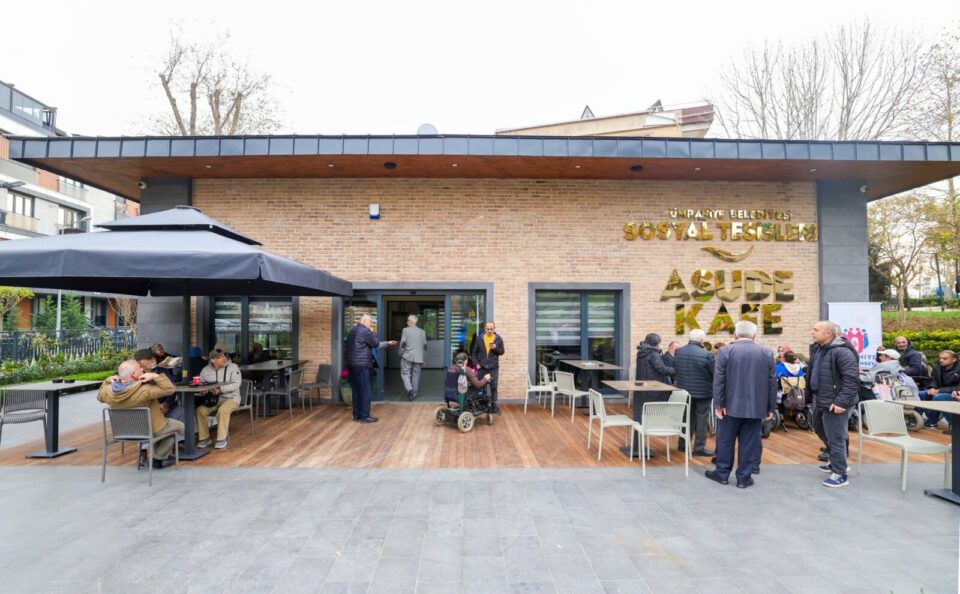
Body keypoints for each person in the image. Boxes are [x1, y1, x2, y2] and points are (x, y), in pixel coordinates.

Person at [705, 321, 776, 489]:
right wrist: (770, 407)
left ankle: (722, 473)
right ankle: (744, 478)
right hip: (756, 407)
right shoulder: (766, 353)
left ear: (735, 335)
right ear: (754, 335)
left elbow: (719, 380)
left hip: (729, 406)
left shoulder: (725, 351)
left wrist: (718, 404)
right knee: (750, 443)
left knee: (725, 441)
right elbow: (772, 382)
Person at [97, 360, 183, 469]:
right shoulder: (144, 390)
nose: (142, 369)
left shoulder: (108, 392)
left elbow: (99, 396)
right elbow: (170, 389)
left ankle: (157, 457)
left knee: (166, 432)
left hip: (124, 432)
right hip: (150, 430)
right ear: (134, 374)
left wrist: (108, 380)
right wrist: (155, 376)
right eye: (139, 368)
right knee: (179, 427)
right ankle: (158, 458)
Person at [808, 320, 860, 488]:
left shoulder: (842, 351)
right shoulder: (819, 349)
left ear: (828, 333)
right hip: (821, 398)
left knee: (835, 436)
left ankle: (840, 473)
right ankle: (835, 460)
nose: (812, 332)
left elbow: (851, 379)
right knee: (819, 428)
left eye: (816, 330)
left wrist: (841, 402)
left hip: (836, 401)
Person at [345, 314, 396, 423]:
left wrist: (386, 343)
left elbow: (369, 344)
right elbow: (375, 343)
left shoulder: (353, 331)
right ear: (364, 321)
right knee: (365, 391)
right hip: (362, 365)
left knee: (356, 391)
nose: (371, 324)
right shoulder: (365, 331)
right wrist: (372, 331)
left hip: (352, 365)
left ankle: (356, 415)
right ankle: (364, 417)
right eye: (370, 322)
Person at [673, 329, 715, 457]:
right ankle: (699, 448)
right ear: (702, 340)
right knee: (702, 420)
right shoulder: (707, 354)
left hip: (684, 391)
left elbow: (676, 370)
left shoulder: (678, 352)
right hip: (703, 392)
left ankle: (683, 444)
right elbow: (714, 373)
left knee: (686, 418)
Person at [195, 350, 243, 449]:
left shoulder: (233, 367)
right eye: (220, 357)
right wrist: (204, 391)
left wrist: (220, 389)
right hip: (214, 400)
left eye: (224, 356)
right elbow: (201, 384)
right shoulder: (205, 370)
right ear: (213, 360)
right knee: (200, 411)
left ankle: (221, 439)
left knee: (222, 410)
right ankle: (205, 438)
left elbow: (237, 384)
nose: (224, 358)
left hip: (231, 398)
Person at [135, 348, 183, 423]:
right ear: (139, 363)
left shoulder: (163, 371)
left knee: (182, 412)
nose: (153, 360)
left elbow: (172, 390)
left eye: (154, 357)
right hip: (144, 410)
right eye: (149, 359)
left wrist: (166, 404)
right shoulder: (134, 375)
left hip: (164, 407)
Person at [471, 321, 505, 414]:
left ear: (494, 329)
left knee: (493, 387)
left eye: (491, 329)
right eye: (488, 329)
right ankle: (481, 405)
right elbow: (474, 353)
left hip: (493, 367)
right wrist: (476, 364)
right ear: (485, 329)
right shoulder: (479, 338)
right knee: (480, 386)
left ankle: (493, 406)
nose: (489, 331)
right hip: (481, 367)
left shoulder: (498, 339)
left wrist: (495, 348)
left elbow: (502, 352)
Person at [923, 350, 960, 430]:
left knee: (938, 397)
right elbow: (933, 380)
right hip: (939, 391)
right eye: (940, 358)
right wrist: (932, 388)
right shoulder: (937, 367)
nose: (941, 360)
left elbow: (958, 387)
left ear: (954, 359)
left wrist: (939, 390)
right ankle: (914, 420)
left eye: (945, 358)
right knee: (920, 394)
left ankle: (955, 425)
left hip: (955, 394)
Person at [399, 314, 427, 401]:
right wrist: (424, 359)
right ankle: (414, 394)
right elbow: (425, 347)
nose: (407, 322)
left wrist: (400, 353)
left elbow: (403, 343)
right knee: (416, 375)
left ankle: (409, 389)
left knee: (405, 373)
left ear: (410, 322)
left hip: (407, 356)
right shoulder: (422, 332)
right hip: (418, 357)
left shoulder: (405, 330)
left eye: (407, 320)